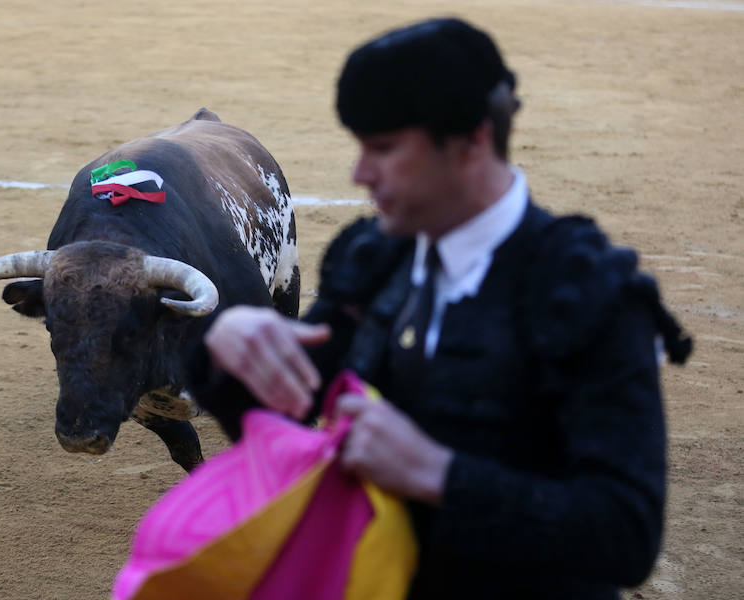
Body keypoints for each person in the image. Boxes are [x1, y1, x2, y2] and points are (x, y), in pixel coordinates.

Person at [186, 17, 692, 599]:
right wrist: (228, 352)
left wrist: (439, 475)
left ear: (472, 140)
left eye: (384, 148)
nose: (360, 173)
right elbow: (291, 410)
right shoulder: (372, 260)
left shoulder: (587, 289)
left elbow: (624, 534)